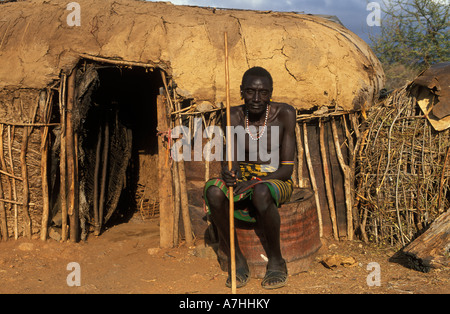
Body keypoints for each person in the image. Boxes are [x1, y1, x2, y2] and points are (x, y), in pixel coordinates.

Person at [204, 66, 297, 289]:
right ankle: (237, 261)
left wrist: (257, 181)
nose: (256, 98)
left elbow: (286, 169)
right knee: (214, 191)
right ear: (241, 91)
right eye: (250, 92)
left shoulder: (284, 113)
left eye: (263, 93)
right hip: (243, 180)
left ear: (270, 92)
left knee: (261, 192)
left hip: (274, 179)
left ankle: (276, 261)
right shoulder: (233, 115)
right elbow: (232, 160)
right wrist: (230, 172)